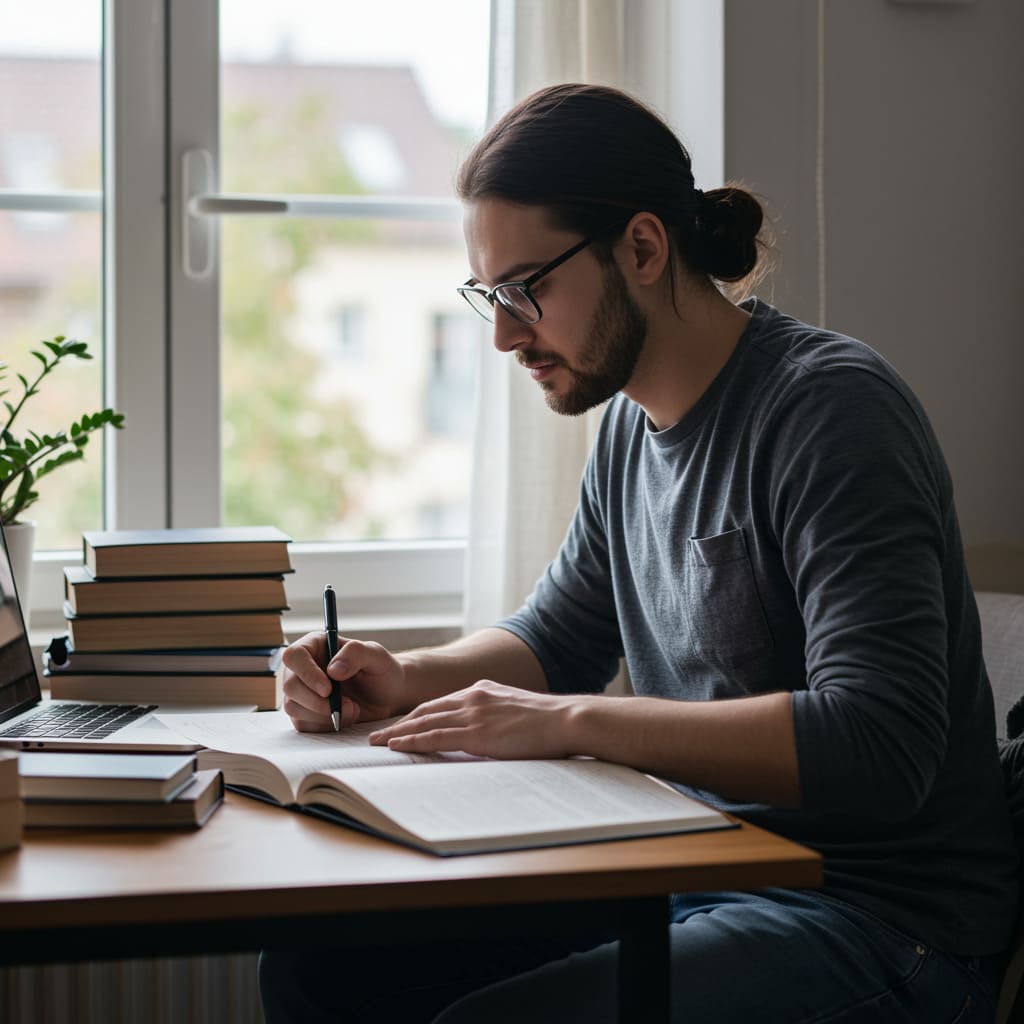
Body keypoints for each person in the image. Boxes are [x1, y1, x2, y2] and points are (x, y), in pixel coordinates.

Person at [259, 83, 1017, 1023]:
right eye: (488, 294)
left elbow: (880, 742)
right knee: (317, 965)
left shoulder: (833, 412)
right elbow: (558, 637)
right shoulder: (627, 432)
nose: (501, 334)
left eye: (526, 289)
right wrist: (403, 675)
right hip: (696, 868)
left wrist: (573, 721)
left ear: (645, 249)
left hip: (881, 922)